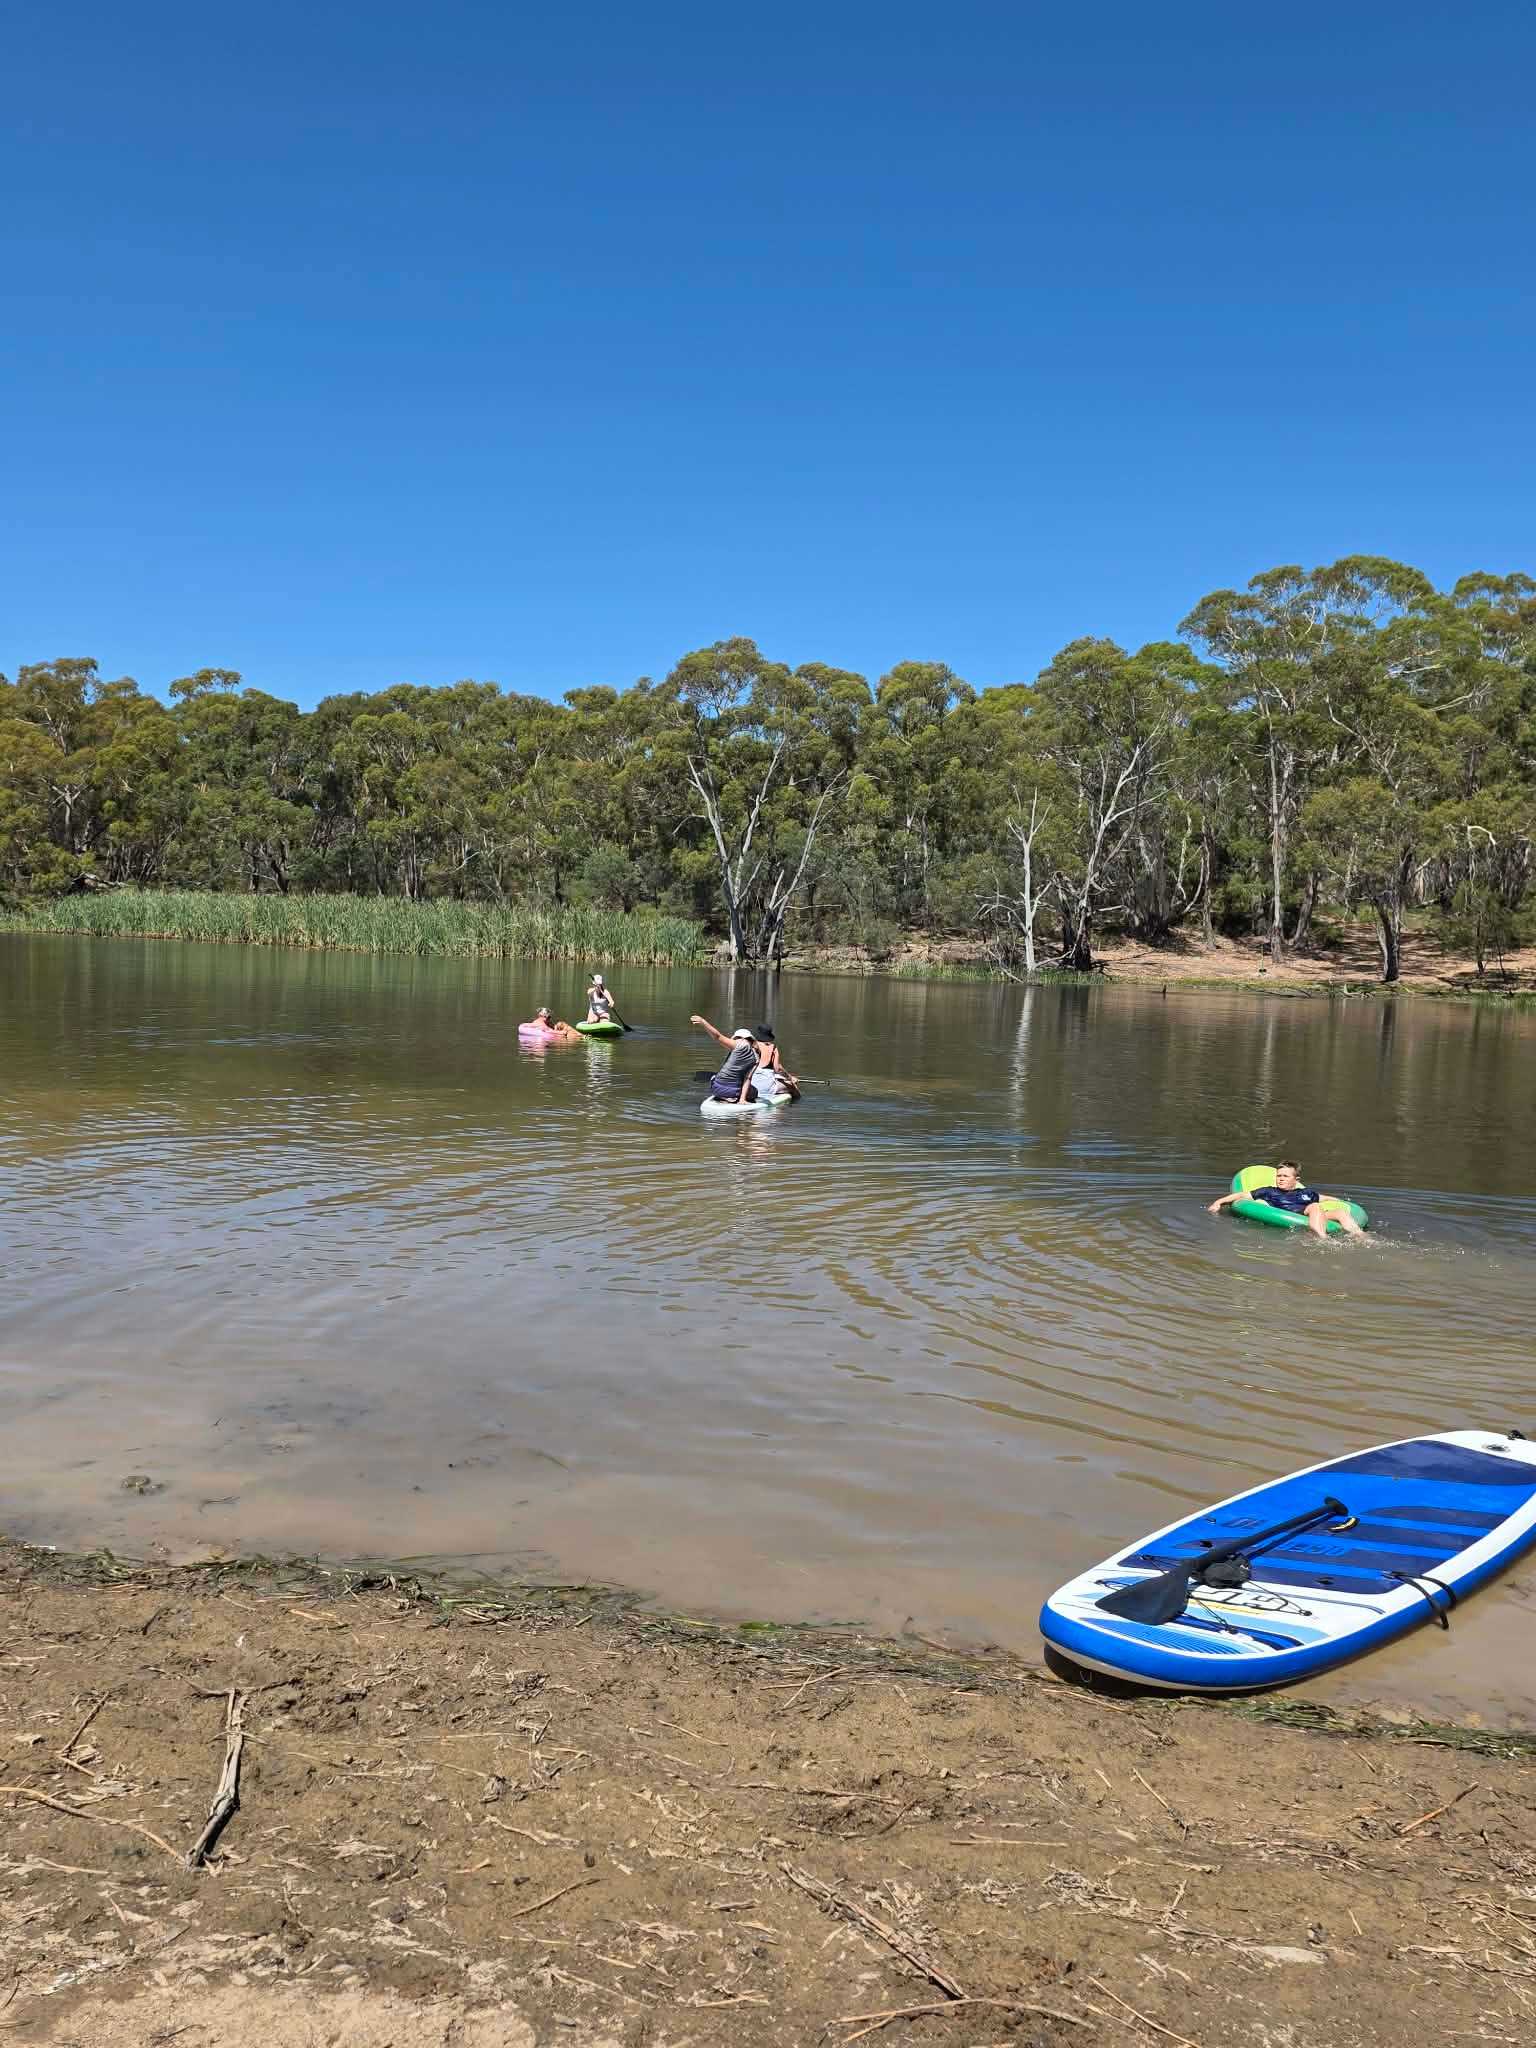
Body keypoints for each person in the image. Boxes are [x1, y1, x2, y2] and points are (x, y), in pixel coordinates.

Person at [1208, 1160, 1365, 1240]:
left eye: (1285, 1176)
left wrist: (1342, 1202)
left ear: (1295, 1179)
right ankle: (1322, 1239)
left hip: (1311, 1212)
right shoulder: (1269, 1191)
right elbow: (1241, 1195)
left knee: (1339, 1212)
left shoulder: (1306, 1192)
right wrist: (1219, 1202)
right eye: (1279, 1176)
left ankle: (1360, 1237)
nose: (1281, 1179)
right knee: (1315, 1207)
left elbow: (1326, 1198)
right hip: (1296, 1213)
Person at [690, 1015, 759, 1103]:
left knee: (714, 1078)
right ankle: (734, 1097)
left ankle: (726, 1096)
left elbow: (717, 1037)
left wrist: (703, 1022)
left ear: (739, 1038)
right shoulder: (756, 1056)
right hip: (732, 1091)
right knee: (755, 1092)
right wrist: (742, 1099)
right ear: (751, 1040)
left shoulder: (740, 1044)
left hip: (716, 1089)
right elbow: (748, 1078)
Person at [748, 1023, 799, 1101]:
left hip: (748, 1086)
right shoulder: (772, 1048)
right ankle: (797, 1102)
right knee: (792, 1086)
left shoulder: (748, 1046)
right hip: (765, 1088)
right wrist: (790, 1078)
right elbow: (778, 1069)